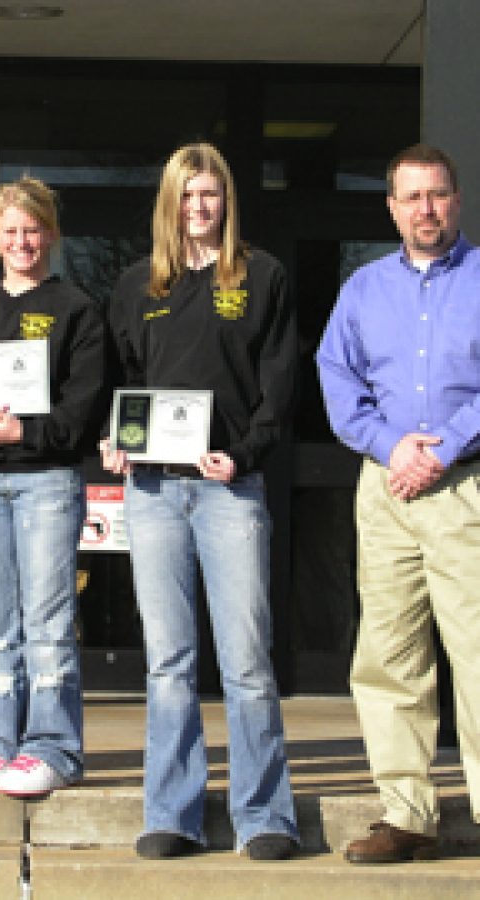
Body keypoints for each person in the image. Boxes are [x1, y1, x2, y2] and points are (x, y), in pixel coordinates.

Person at [101, 143, 299, 860]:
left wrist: (241, 454)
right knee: (169, 662)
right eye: (187, 196)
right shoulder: (136, 285)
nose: (200, 207)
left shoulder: (262, 275)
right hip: (152, 492)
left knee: (247, 661)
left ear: (227, 199)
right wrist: (114, 440)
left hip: (228, 491)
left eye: (210, 194)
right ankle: (173, 812)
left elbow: (278, 387)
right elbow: (119, 383)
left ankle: (265, 815)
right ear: (170, 204)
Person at [317, 143, 480, 864]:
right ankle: (408, 814)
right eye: (412, 198)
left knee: (477, 654)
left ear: (456, 199)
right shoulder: (363, 290)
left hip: (465, 486)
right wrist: (392, 447)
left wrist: (443, 447)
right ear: (391, 207)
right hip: (384, 491)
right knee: (389, 655)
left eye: (438, 195)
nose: (426, 210)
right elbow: (336, 377)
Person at [0, 176, 107, 797]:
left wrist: (23, 432)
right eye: (10, 232)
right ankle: (0, 741)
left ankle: (54, 747)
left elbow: (81, 412)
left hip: (45, 484)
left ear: (52, 235)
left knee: (49, 620)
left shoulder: (77, 310)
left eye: (32, 230)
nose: (21, 242)